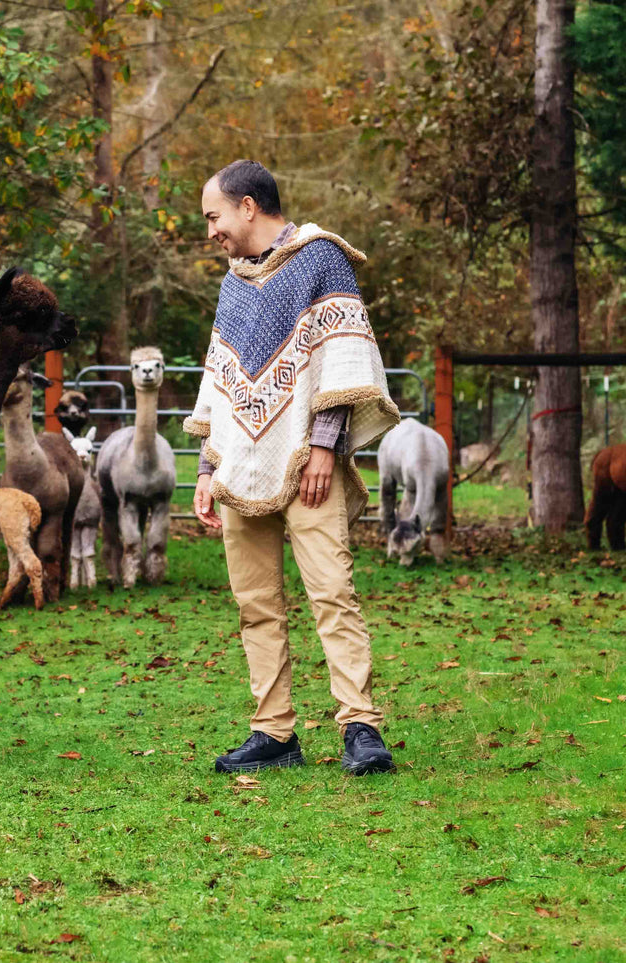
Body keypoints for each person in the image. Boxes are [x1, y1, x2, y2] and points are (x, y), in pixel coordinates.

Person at [186, 160, 402, 776]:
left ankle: (360, 726)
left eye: (214, 216)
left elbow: (341, 356)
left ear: (248, 206)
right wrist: (207, 467)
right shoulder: (235, 281)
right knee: (255, 602)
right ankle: (274, 732)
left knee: (332, 594)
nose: (211, 232)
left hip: (309, 462)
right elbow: (221, 378)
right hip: (241, 467)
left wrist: (325, 448)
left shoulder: (320, 260)